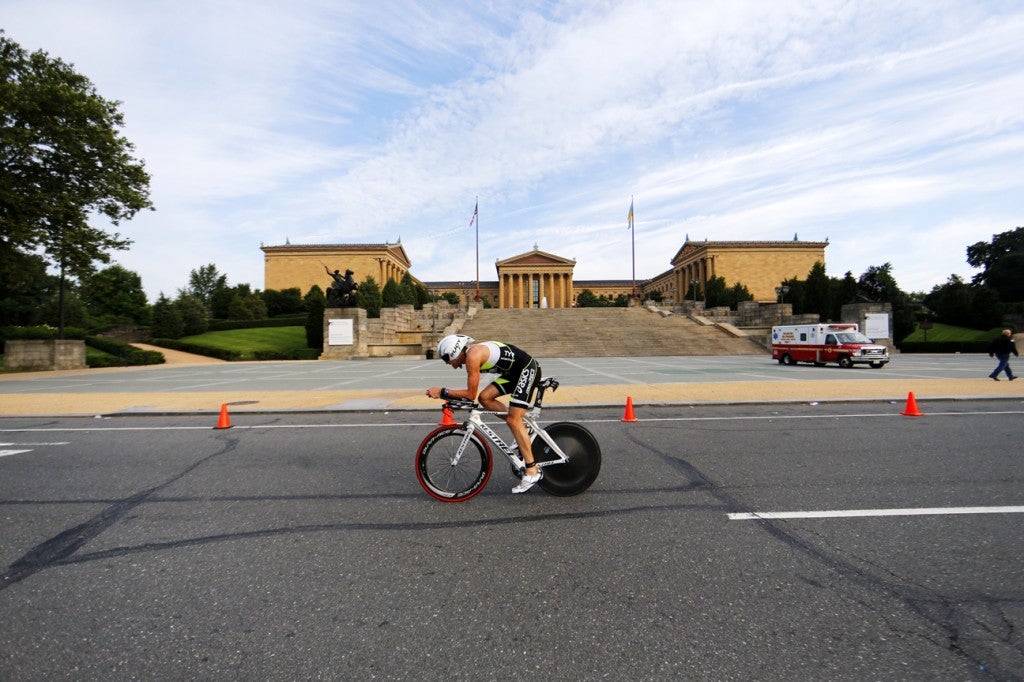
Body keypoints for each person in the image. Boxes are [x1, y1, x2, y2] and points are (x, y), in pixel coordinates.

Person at [426, 335, 543, 494]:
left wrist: (441, 391)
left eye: (447, 359)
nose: (448, 364)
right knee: (485, 398)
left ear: (454, 352)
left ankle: (532, 471)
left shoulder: (473, 356)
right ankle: (524, 430)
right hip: (514, 373)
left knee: (513, 420)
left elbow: (469, 394)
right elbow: (475, 396)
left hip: (527, 370)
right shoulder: (471, 354)